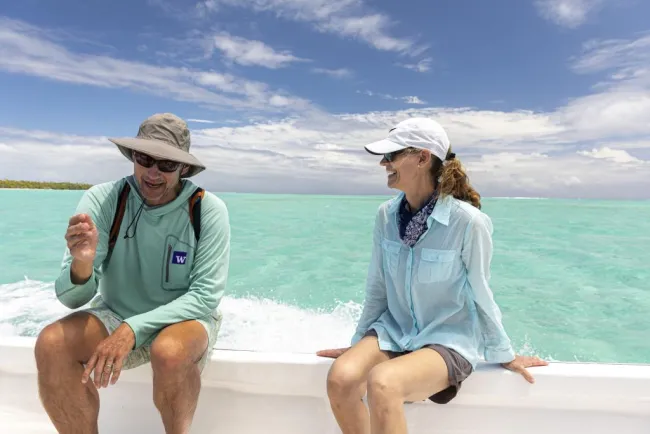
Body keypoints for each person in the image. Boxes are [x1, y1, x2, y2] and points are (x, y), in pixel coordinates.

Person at [317, 118, 547, 434]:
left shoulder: (469, 223)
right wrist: (358, 344)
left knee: (383, 382)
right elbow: (378, 286)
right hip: (394, 330)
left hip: (447, 338)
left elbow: (480, 290)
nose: (384, 164)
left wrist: (503, 353)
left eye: (392, 155)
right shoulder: (385, 215)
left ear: (423, 158)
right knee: (341, 378)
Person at [34, 113, 231, 434]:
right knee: (51, 343)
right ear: (133, 157)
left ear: (183, 168)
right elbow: (71, 299)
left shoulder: (207, 210)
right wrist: (82, 263)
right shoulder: (103, 199)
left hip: (182, 321)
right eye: (145, 159)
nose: (153, 173)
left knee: (169, 352)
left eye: (166, 164)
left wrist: (132, 329)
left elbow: (205, 297)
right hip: (116, 313)